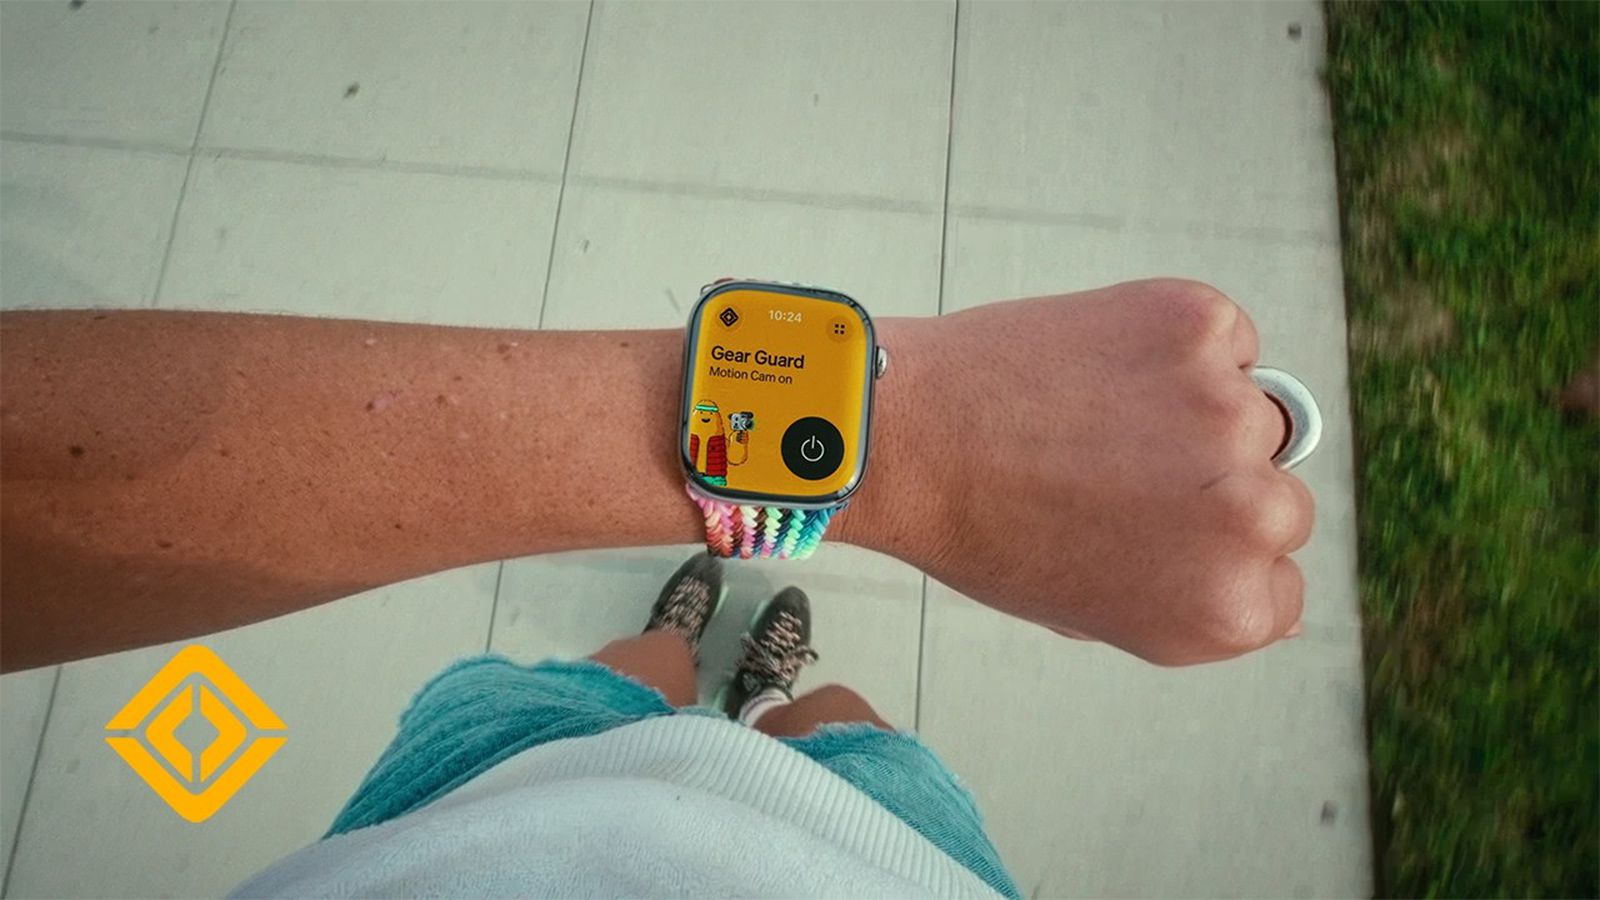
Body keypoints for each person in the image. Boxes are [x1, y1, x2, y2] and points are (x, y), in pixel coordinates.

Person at [0, 279, 1315, 896]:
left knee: (617, 682)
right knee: (848, 725)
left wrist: (929, 437)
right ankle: (767, 692)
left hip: (475, 808)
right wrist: (918, 447)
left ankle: (676, 652)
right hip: (903, 862)